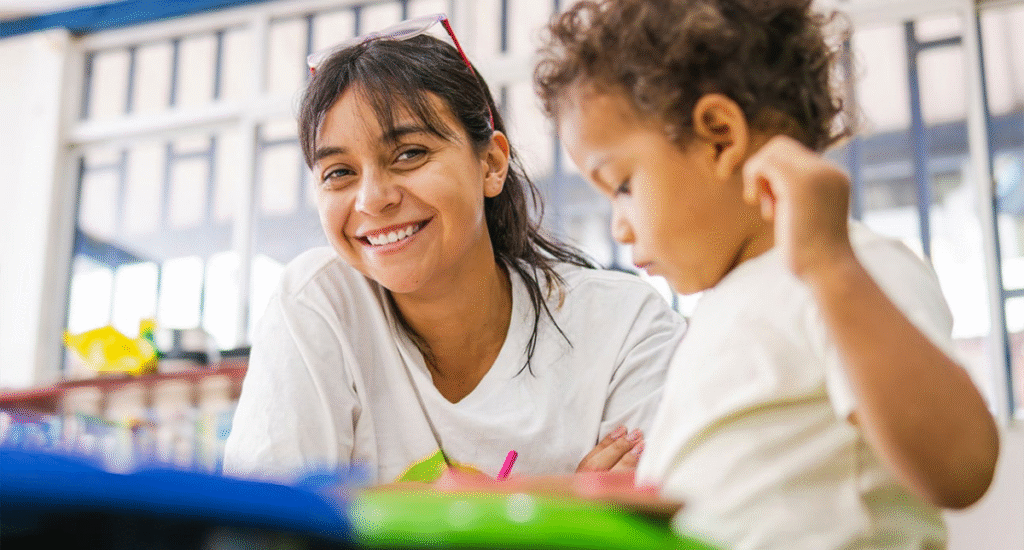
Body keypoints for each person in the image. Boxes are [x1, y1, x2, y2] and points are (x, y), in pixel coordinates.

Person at [522, 0, 1001, 548]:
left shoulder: (847, 267)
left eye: (623, 185)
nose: (620, 229)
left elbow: (960, 468)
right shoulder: (728, 305)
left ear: (720, 136)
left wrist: (831, 265)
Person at [223, 14, 683, 485]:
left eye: (409, 153)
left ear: (491, 164)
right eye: (339, 172)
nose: (372, 199)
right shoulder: (317, 303)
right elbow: (265, 528)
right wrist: (554, 507)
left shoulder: (624, 326)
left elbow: (657, 527)